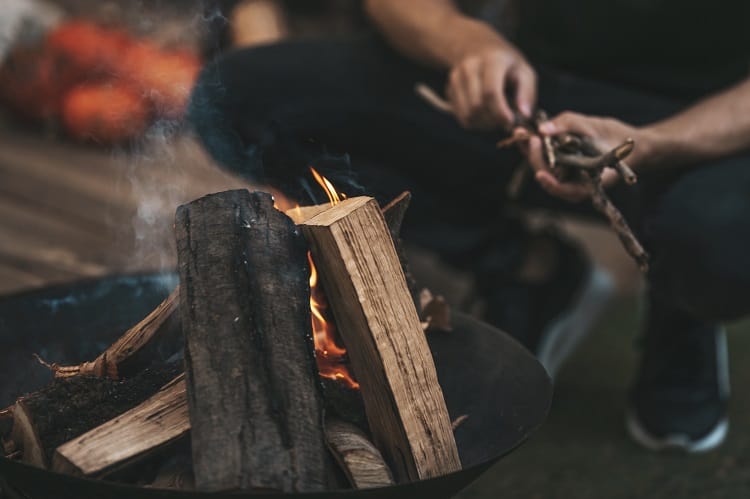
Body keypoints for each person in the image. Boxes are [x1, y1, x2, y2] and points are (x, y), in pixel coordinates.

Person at [188, 0, 750, 452]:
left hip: (714, 130)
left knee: (720, 238)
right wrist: (470, 46)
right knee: (244, 99)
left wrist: (653, 146)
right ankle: (531, 272)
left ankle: (684, 306)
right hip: (540, 90)